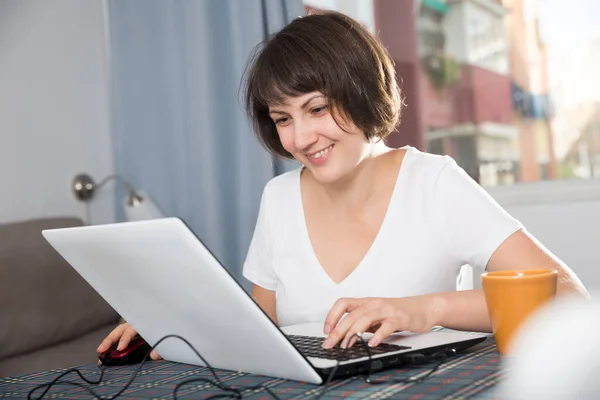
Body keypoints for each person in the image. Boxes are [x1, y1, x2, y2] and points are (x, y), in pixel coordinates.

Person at [97, 10, 589, 359]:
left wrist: (426, 310)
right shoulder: (280, 198)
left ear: (361, 90)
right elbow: (260, 328)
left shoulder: (433, 183)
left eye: (316, 108)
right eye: (282, 118)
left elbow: (566, 296)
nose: (301, 137)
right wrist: (177, 328)